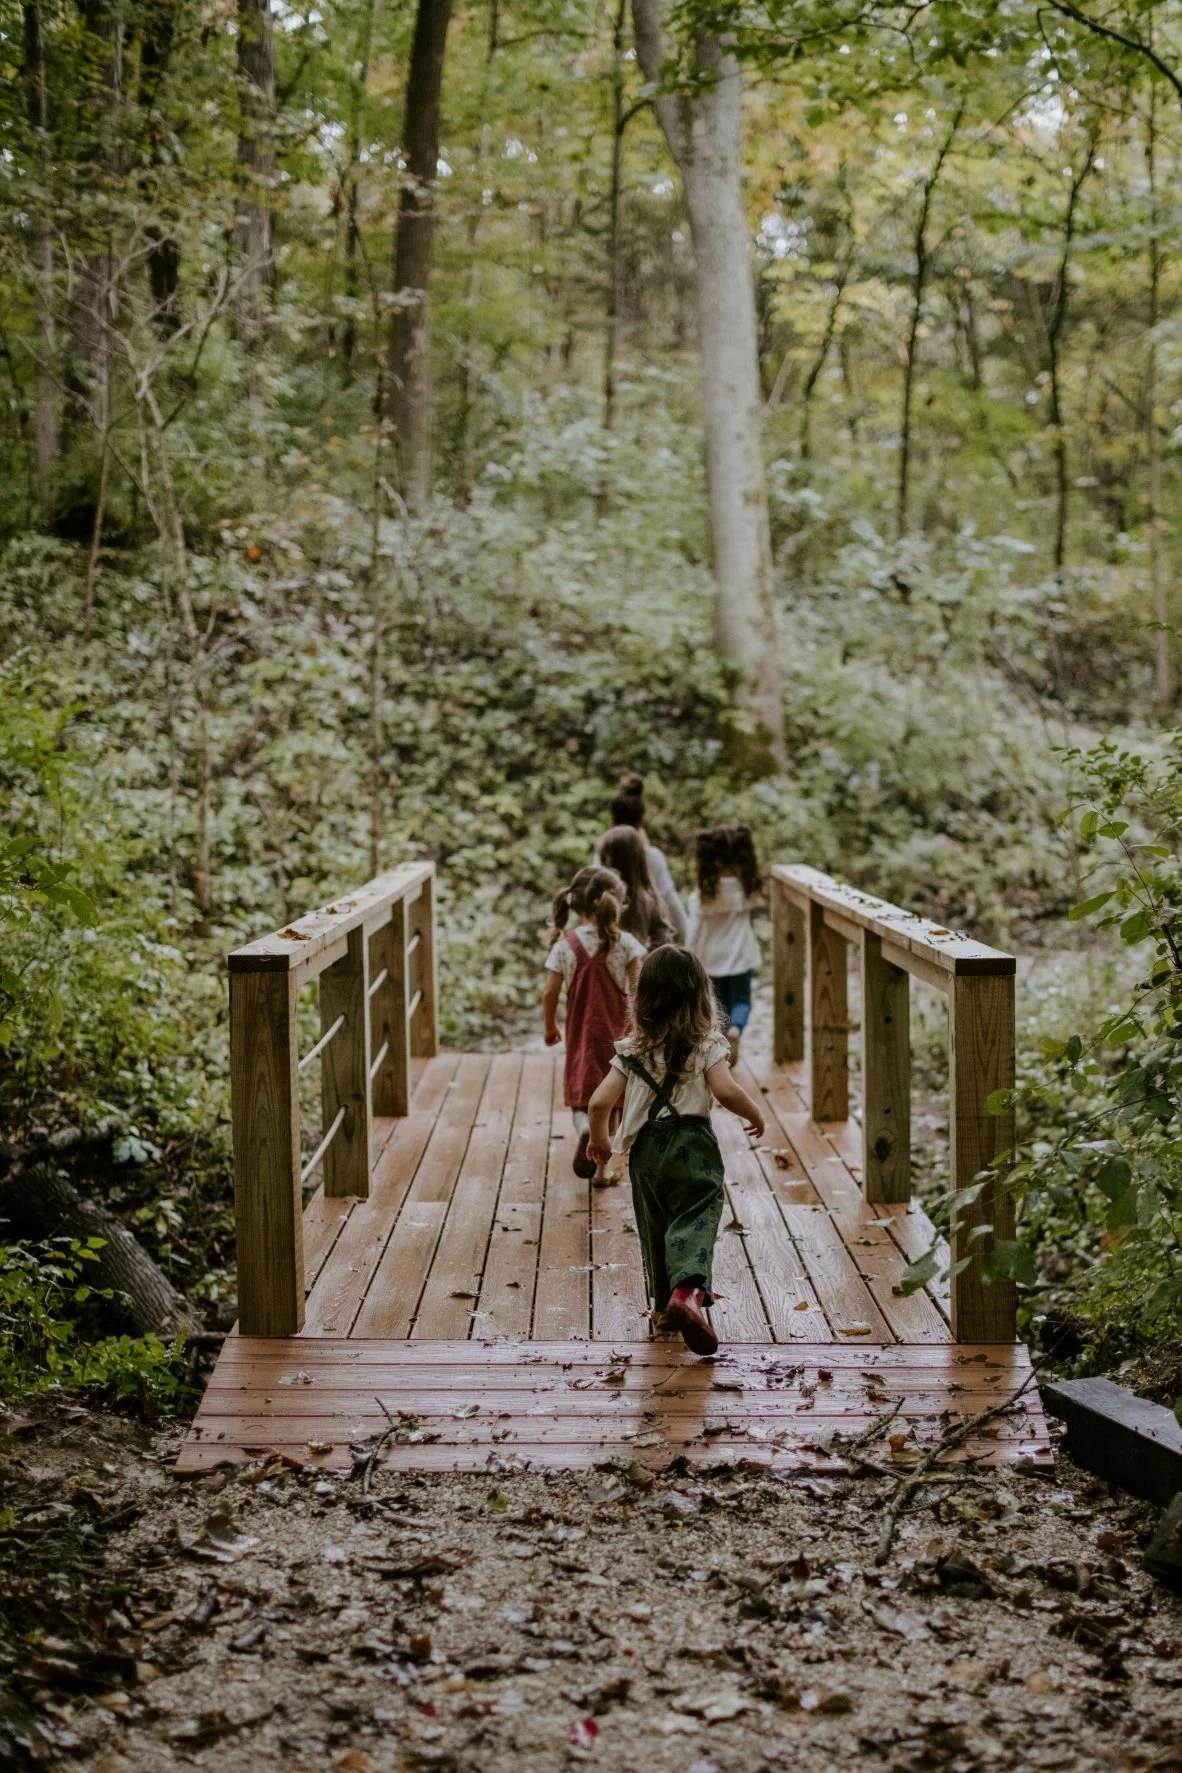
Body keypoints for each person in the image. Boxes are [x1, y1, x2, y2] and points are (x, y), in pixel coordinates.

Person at [586, 946, 765, 1357]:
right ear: (701, 994)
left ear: (644, 997)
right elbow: (724, 1089)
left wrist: (600, 1139)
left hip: (647, 1148)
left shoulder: (631, 1049)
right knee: (697, 1213)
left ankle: (662, 1307)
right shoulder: (708, 1044)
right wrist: (754, 1113)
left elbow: (599, 1103)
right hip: (693, 1144)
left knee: (656, 1223)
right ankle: (687, 1293)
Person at [543, 864, 644, 1183]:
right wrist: (643, 1028)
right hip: (620, 1033)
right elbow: (638, 988)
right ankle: (602, 1171)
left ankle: (586, 1129)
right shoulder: (625, 943)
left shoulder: (565, 945)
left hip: (583, 1034)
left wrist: (550, 1025)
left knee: (582, 1095)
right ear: (614, 902)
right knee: (613, 1098)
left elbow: (550, 992)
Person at [687, 824, 762, 1068]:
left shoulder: (704, 893)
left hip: (711, 957)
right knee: (742, 1000)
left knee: (716, 1004)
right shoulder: (745, 888)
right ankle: (737, 1030)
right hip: (740, 953)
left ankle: (720, 1048)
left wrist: (689, 955)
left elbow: (696, 928)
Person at [599, 772, 687, 944]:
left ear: (612, 820)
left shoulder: (603, 854)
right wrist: (688, 935)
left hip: (609, 942)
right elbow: (671, 902)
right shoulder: (653, 856)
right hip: (644, 942)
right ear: (641, 822)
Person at [598, 825, 676, 950]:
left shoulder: (647, 901)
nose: (601, 867)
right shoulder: (649, 899)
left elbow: (662, 941)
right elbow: (663, 941)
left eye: (604, 860)